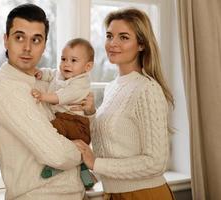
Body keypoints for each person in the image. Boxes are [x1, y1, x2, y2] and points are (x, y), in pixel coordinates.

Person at [0, 4, 85, 200]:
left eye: (36, 40)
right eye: (19, 37)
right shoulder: (5, 90)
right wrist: (81, 150)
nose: (27, 48)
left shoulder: (44, 82)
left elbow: (79, 122)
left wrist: (87, 111)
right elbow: (56, 154)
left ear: (45, 44)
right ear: (6, 40)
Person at [73, 8, 176, 200]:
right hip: (113, 193)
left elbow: (156, 163)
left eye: (123, 37)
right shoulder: (112, 87)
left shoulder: (147, 89)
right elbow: (108, 144)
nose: (113, 44)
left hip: (144, 194)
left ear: (141, 45)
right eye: (110, 36)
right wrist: (91, 114)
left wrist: (96, 163)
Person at [31, 38, 96, 188]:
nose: (66, 64)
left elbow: (61, 97)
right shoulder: (62, 74)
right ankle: (83, 170)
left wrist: (42, 96)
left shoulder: (80, 83)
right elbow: (51, 74)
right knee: (68, 143)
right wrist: (41, 73)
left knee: (51, 130)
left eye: (73, 60)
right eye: (63, 59)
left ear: (87, 66)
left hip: (77, 124)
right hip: (66, 119)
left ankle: (56, 167)